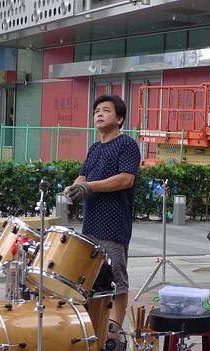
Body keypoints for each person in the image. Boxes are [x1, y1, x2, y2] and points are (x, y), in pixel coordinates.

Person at [64, 95, 141, 328]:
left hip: (113, 226)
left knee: (116, 282)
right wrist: (74, 187)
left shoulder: (127, 145)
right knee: (89, 281)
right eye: (97, 110)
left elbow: (126, 179)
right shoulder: (95, 148)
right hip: (90, 225)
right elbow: (83, 176)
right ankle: (93, 328)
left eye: (106, 110)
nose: (99, 113)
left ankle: (115, 332)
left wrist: (89, 187)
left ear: (120, 118)